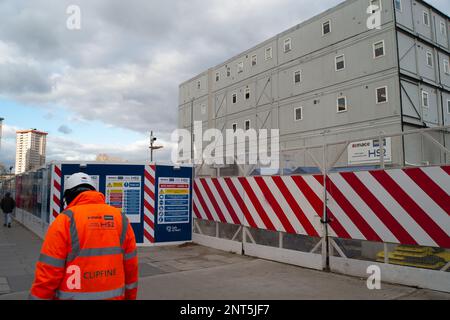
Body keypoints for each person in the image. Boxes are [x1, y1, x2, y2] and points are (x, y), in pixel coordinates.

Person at [29, 172, 139, 300]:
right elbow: (131, 267)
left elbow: (48, 273)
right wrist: (130, 297)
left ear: (68, 196)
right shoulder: (120, 218)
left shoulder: (64, 220)